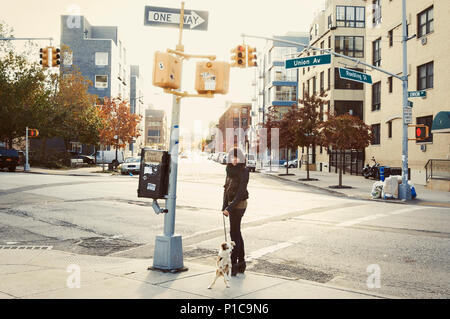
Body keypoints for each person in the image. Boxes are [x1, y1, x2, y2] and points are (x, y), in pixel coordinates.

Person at [222, 147, 249, 276]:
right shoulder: (229, 169)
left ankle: (236, 263)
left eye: (236, 157)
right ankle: (240, 263)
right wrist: (224, 206)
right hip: (231, 205)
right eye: (232, 157)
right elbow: (226, 188)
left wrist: (229, 207)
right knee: (235, 233)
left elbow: (240, 192)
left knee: (234, 233)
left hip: (240, 204)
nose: (234, 160)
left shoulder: (244, 171)